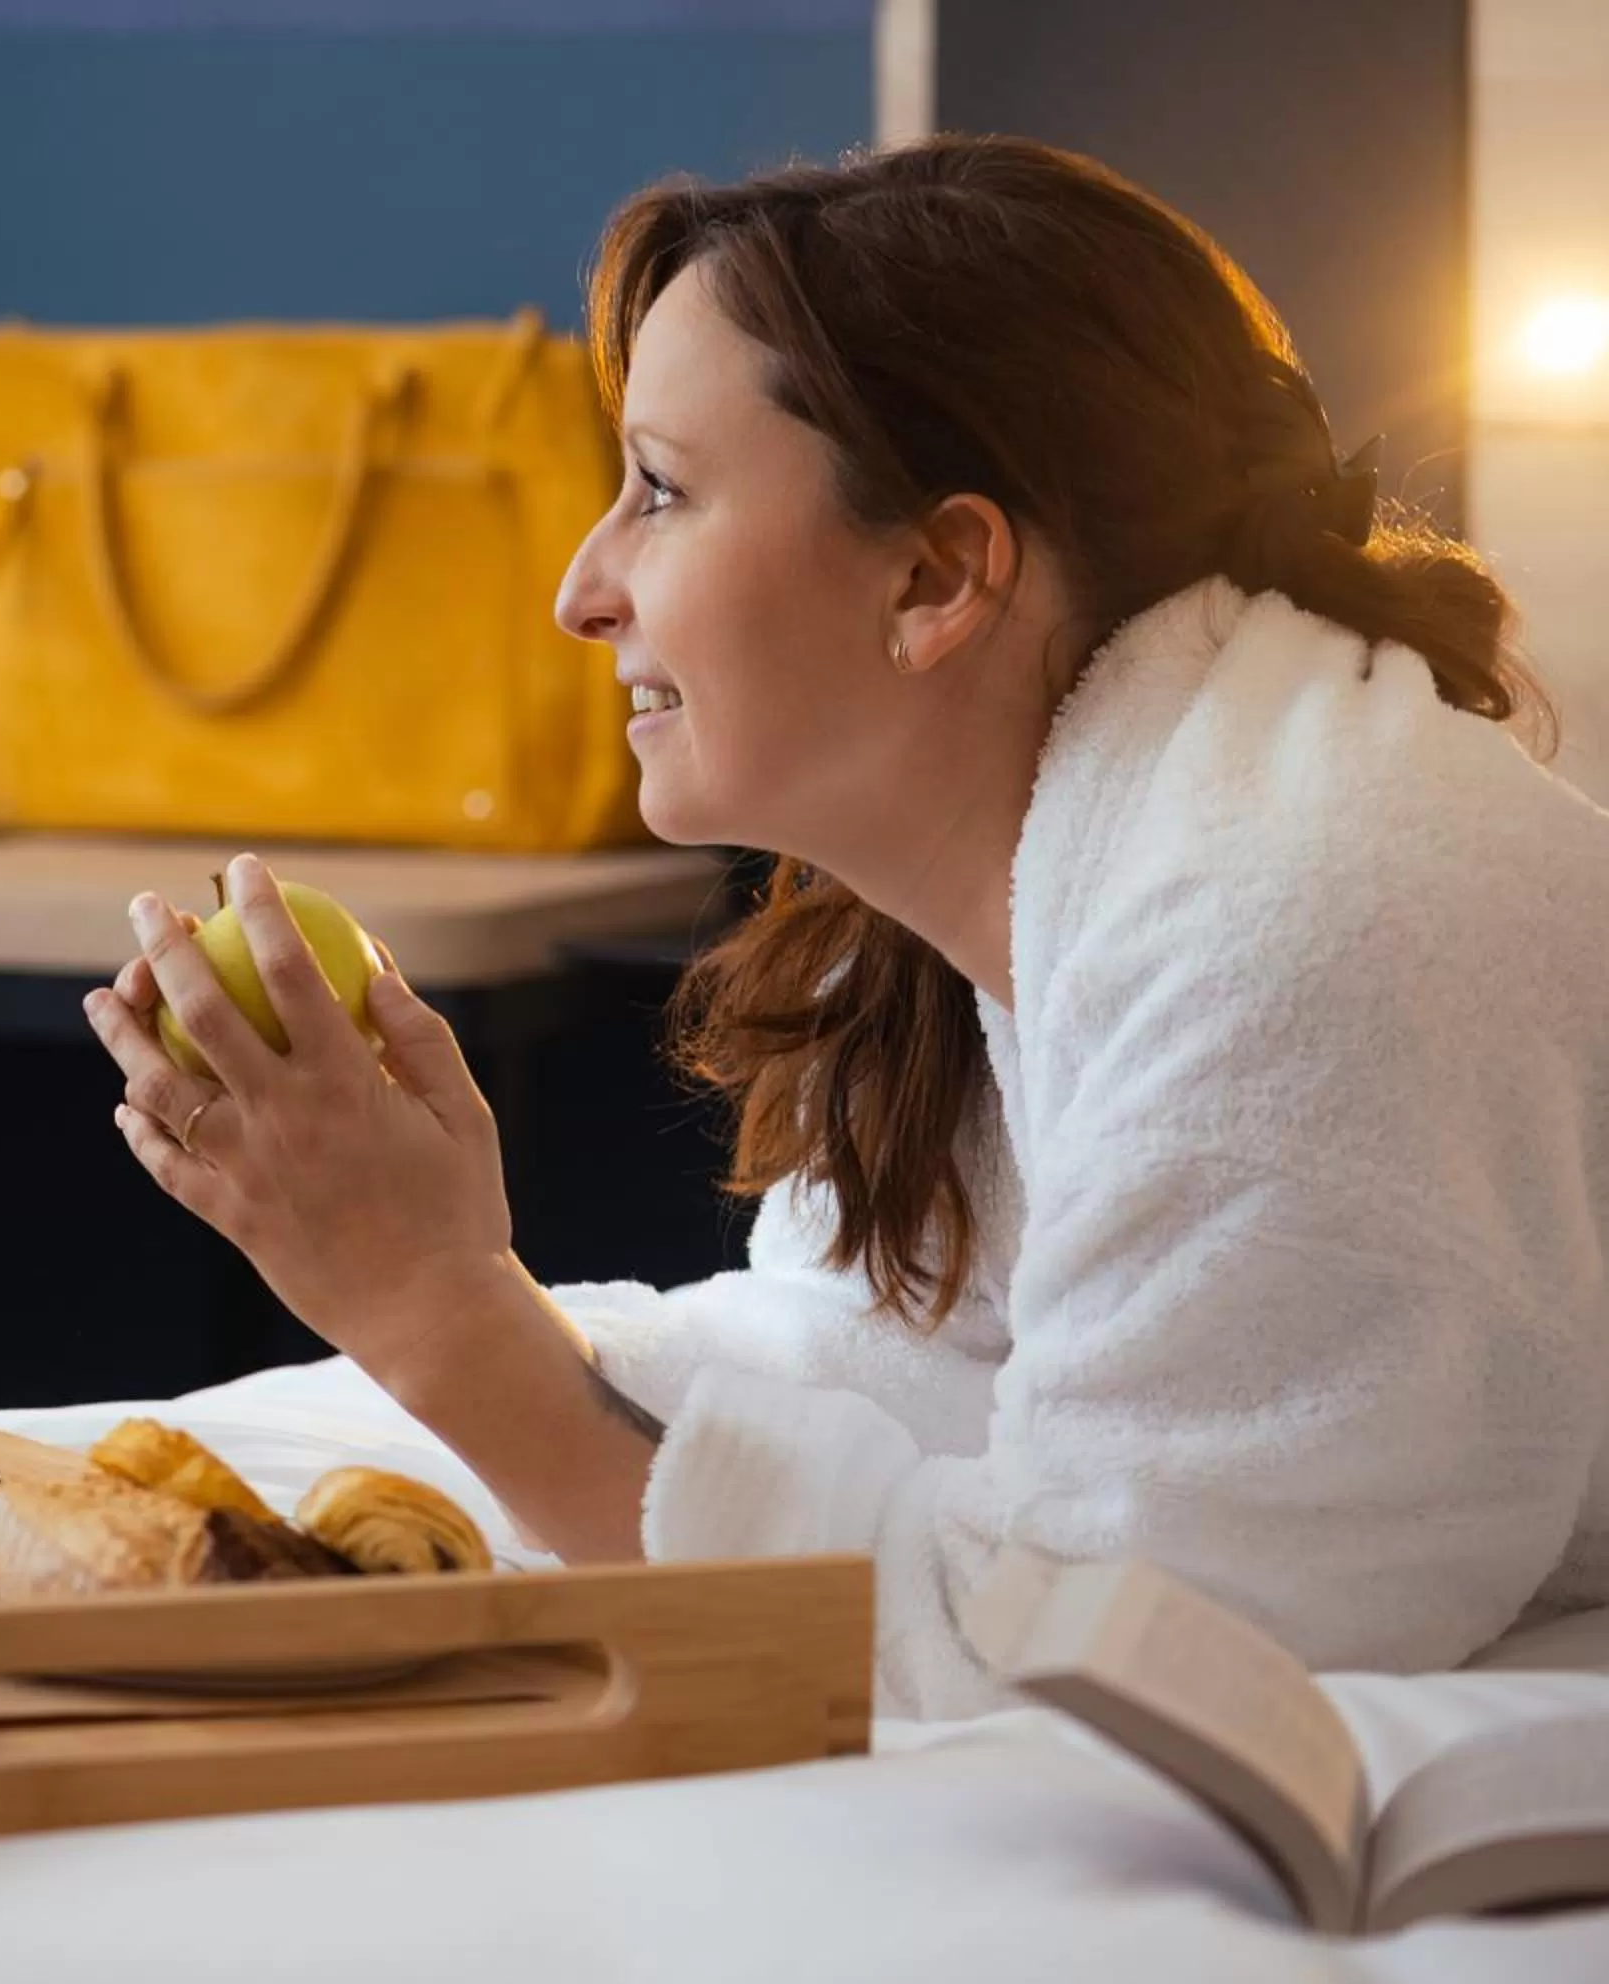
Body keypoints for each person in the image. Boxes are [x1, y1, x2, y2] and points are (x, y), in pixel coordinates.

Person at [81, 135, 1609, 1720]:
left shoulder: (1305, 927)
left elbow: (1085, 1658)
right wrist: (436, 1267)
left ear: (936, 575)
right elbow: (857, 1375)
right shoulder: (999, 906)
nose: (582, 590)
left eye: (660, 490)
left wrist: (437, 1315)